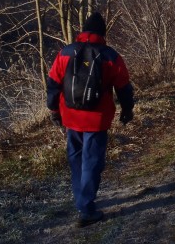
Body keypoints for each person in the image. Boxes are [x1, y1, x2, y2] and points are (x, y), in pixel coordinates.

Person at [46, 12, 134, 228]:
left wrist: (54, 110)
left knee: (76, 159)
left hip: (71, 116)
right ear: (103, 33)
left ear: (83, 31)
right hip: (97, 119)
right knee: (92, 162)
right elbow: (123, 86)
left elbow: (53, 84)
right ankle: (86, 208)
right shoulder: (110, 56)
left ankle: (82, 201)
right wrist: (127, 109)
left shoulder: (65, 53)